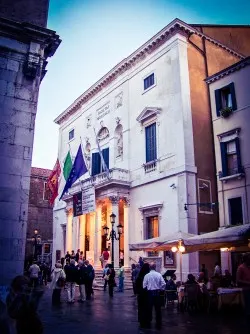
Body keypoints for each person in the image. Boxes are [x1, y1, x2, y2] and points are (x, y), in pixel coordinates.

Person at [143, 262, 166, 330]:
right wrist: (160, 289)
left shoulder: (146, 275)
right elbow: (163, 284)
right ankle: (158, 322)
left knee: (149, 309)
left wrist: (148, 288)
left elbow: (144, 286)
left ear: (149, 267)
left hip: (149, 293)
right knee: (158, 309)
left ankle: (149, 321)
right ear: (155, 267)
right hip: (157, 293)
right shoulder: (159, 275)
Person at [135, 263, 150, 328]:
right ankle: (147, 320)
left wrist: (138, 292)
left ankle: (141, 321)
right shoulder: (148, 276)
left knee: (141, 308)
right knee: (147, 308)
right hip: (147, 294)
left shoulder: (139, 276)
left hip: (140, 295)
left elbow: (136, 286)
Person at [236, 253, 250, 324]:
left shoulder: (248, 267)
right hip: (246, 289)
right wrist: (248, 283)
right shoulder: (241, 267)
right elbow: (238, 280)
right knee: (248, 306)